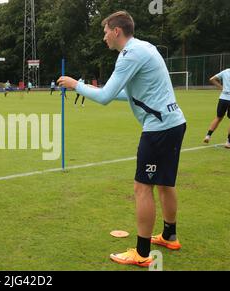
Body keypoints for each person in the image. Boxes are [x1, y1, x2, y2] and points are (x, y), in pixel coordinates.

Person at [58, 11, 187, 268]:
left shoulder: (129, 55)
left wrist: (76, 85)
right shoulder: (142, 48)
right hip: (174, 124)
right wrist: (88, 88)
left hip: (159, 129)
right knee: (164, 183)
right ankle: (170, 235)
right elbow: (119, 94)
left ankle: (141, 253)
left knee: (142, 188)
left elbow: (106, 97)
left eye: (105, 31)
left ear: (117, 31)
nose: (103, 36)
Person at [203, 68, 230, 149]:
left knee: (218, 117)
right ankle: (228, 142)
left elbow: (212, 79)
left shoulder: (226, 71)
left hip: (223, 98)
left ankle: (208, 136)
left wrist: (221, 88)